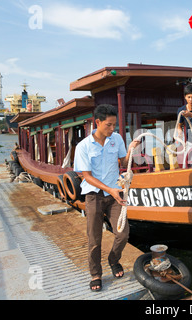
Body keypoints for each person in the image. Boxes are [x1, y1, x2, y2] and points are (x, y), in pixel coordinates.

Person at [73, 104, 140, 292]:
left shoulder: (116, 138)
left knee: (123, 233)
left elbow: (124, 162)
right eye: (108, 125)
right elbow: (86, 176)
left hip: (114, 194)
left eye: (114, 126)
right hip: (94, 196)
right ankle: (96, 274)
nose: (112, 129)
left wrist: (130, 150)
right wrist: (109, 190)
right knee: (94, 238)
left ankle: (113, 259)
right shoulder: (83, 146)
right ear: (98, 122)